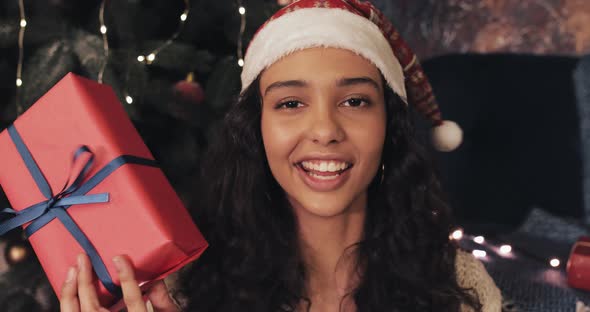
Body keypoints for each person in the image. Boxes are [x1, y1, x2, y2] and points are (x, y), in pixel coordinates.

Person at [60, 0, 502, 311]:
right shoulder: (181, 292)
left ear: (390, 127)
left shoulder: (459, 289)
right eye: (291, 103)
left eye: (355, 101)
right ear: (257, 128)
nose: (325, 130)